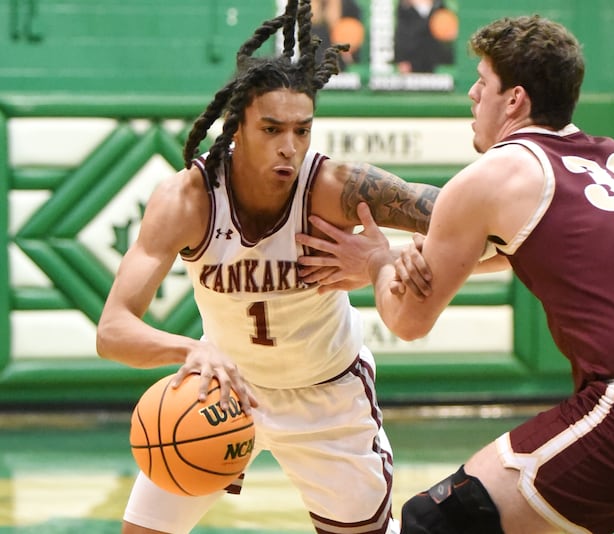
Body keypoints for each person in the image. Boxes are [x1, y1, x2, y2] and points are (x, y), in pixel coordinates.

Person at [295, 13, 614, 534]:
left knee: (438, 521)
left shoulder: (491, 175)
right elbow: (570, 248)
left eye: (482, 82)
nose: (472, 95)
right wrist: (423, 258)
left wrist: (374, 260)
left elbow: (409, 321)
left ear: (515, 100)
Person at [94, 1, 439, 533]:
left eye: (302, 131)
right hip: (223, 393)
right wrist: (192, 348)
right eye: (272, 129)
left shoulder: (336, 189)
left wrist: (381, 263)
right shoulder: (188, 199)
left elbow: (476, 232)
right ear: (237, 126)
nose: (289, 148)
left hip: (329, 396)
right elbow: (112, 331)